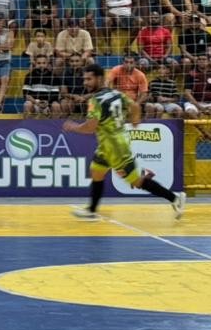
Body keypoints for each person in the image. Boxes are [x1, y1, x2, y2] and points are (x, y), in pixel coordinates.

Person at [63, 63, 185, 221]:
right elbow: (135, 106)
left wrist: (73, 127)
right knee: (97, 171)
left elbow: (90, 128)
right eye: (84, 79)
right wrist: (135, 121)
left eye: (89, 79)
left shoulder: (95, 100)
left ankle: (175, 198)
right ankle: (91, 211)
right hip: (110, 144)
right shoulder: (116, 94)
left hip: (115, 148)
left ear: (99, 78)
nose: (85, 82)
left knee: (136, 181)